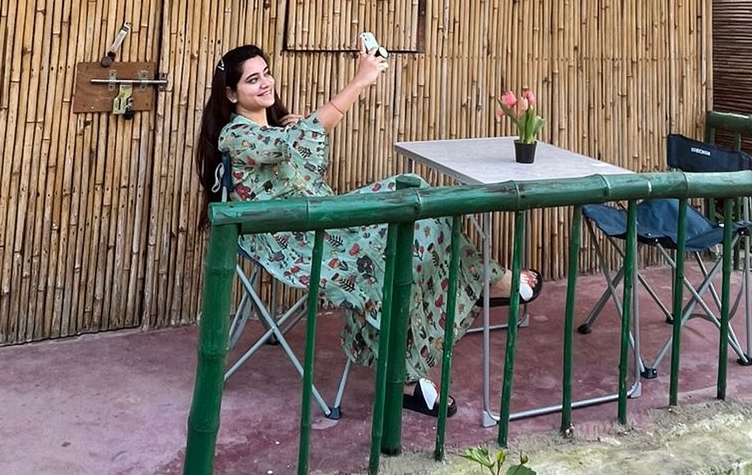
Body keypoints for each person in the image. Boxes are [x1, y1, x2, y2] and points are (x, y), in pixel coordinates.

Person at [195, 43, 542, 417]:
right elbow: (296, 144)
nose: (265, 83)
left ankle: (484, 281)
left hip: (324, 217)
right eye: (253, 79)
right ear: (231, 93)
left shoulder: (280, 127)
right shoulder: (237, 135)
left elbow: (304, 150)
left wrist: (299, 126)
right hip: (290, 239)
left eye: (266, 72)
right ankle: (413, 369)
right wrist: (359, 81)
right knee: (383, 256)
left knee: (414, 194)